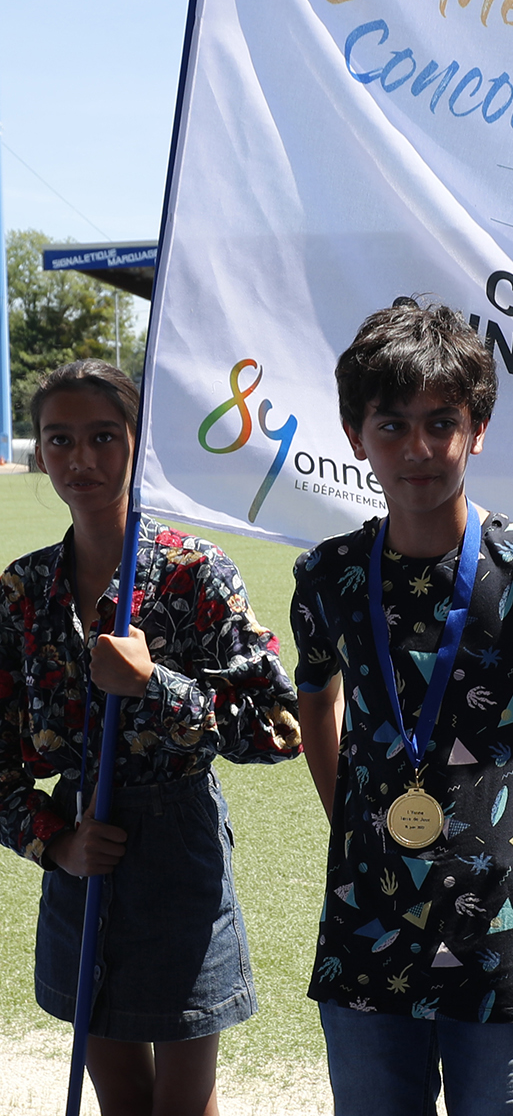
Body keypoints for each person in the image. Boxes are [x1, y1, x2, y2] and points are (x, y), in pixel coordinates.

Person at [289, 302, 513, 1116]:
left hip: (503, 929)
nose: (418, 449)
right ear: (353, 433)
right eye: (392, 424)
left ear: (477, 429)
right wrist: (354, 814)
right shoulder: (329, 575)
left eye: (441, 422)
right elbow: (315, 692)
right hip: (365, 927)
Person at [0, 359, 301, 1116]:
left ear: (142, 442)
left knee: (181, 1105)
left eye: (104, 436)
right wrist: (53, 842)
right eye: (60, 439)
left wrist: (154, 684)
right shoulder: (23, 589)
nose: (82, 459)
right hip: (83, 848)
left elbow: (276, 727)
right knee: (122, 1099)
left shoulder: (194, 571)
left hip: (179, 852)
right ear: (40, 453)